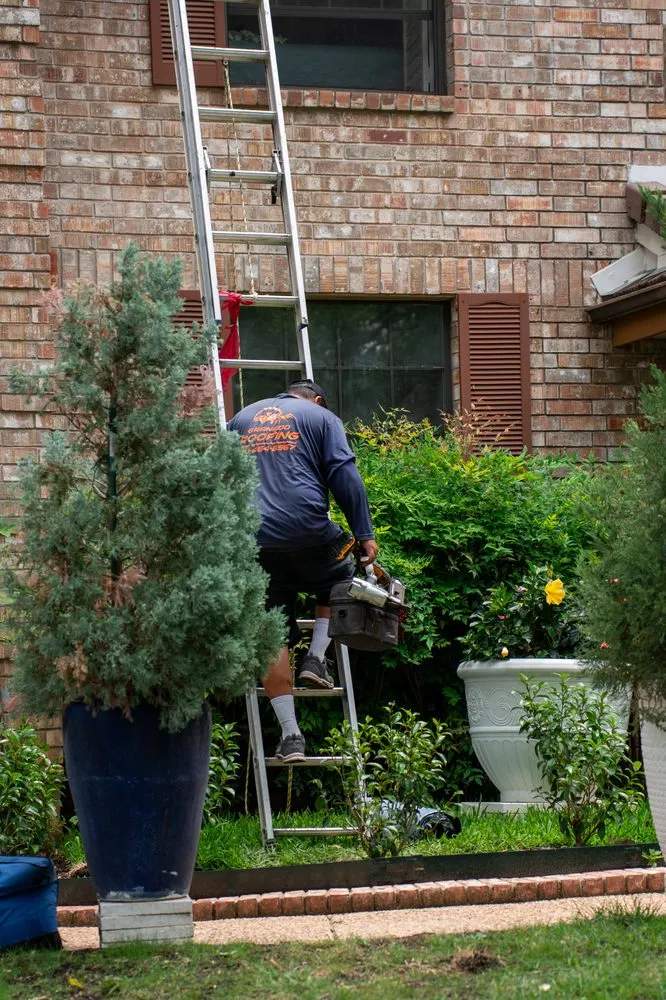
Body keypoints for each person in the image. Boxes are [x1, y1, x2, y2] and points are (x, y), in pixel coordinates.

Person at [228, 378, 378, 761]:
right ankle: (315, 658)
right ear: (319, 400)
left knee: (271, 632)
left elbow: (218, 482)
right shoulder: (322, 418)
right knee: (341, 574)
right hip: (310, 533)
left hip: (255, 542)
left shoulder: (241, 419)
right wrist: (364, 533)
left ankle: (291, 736)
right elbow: (345, 476)